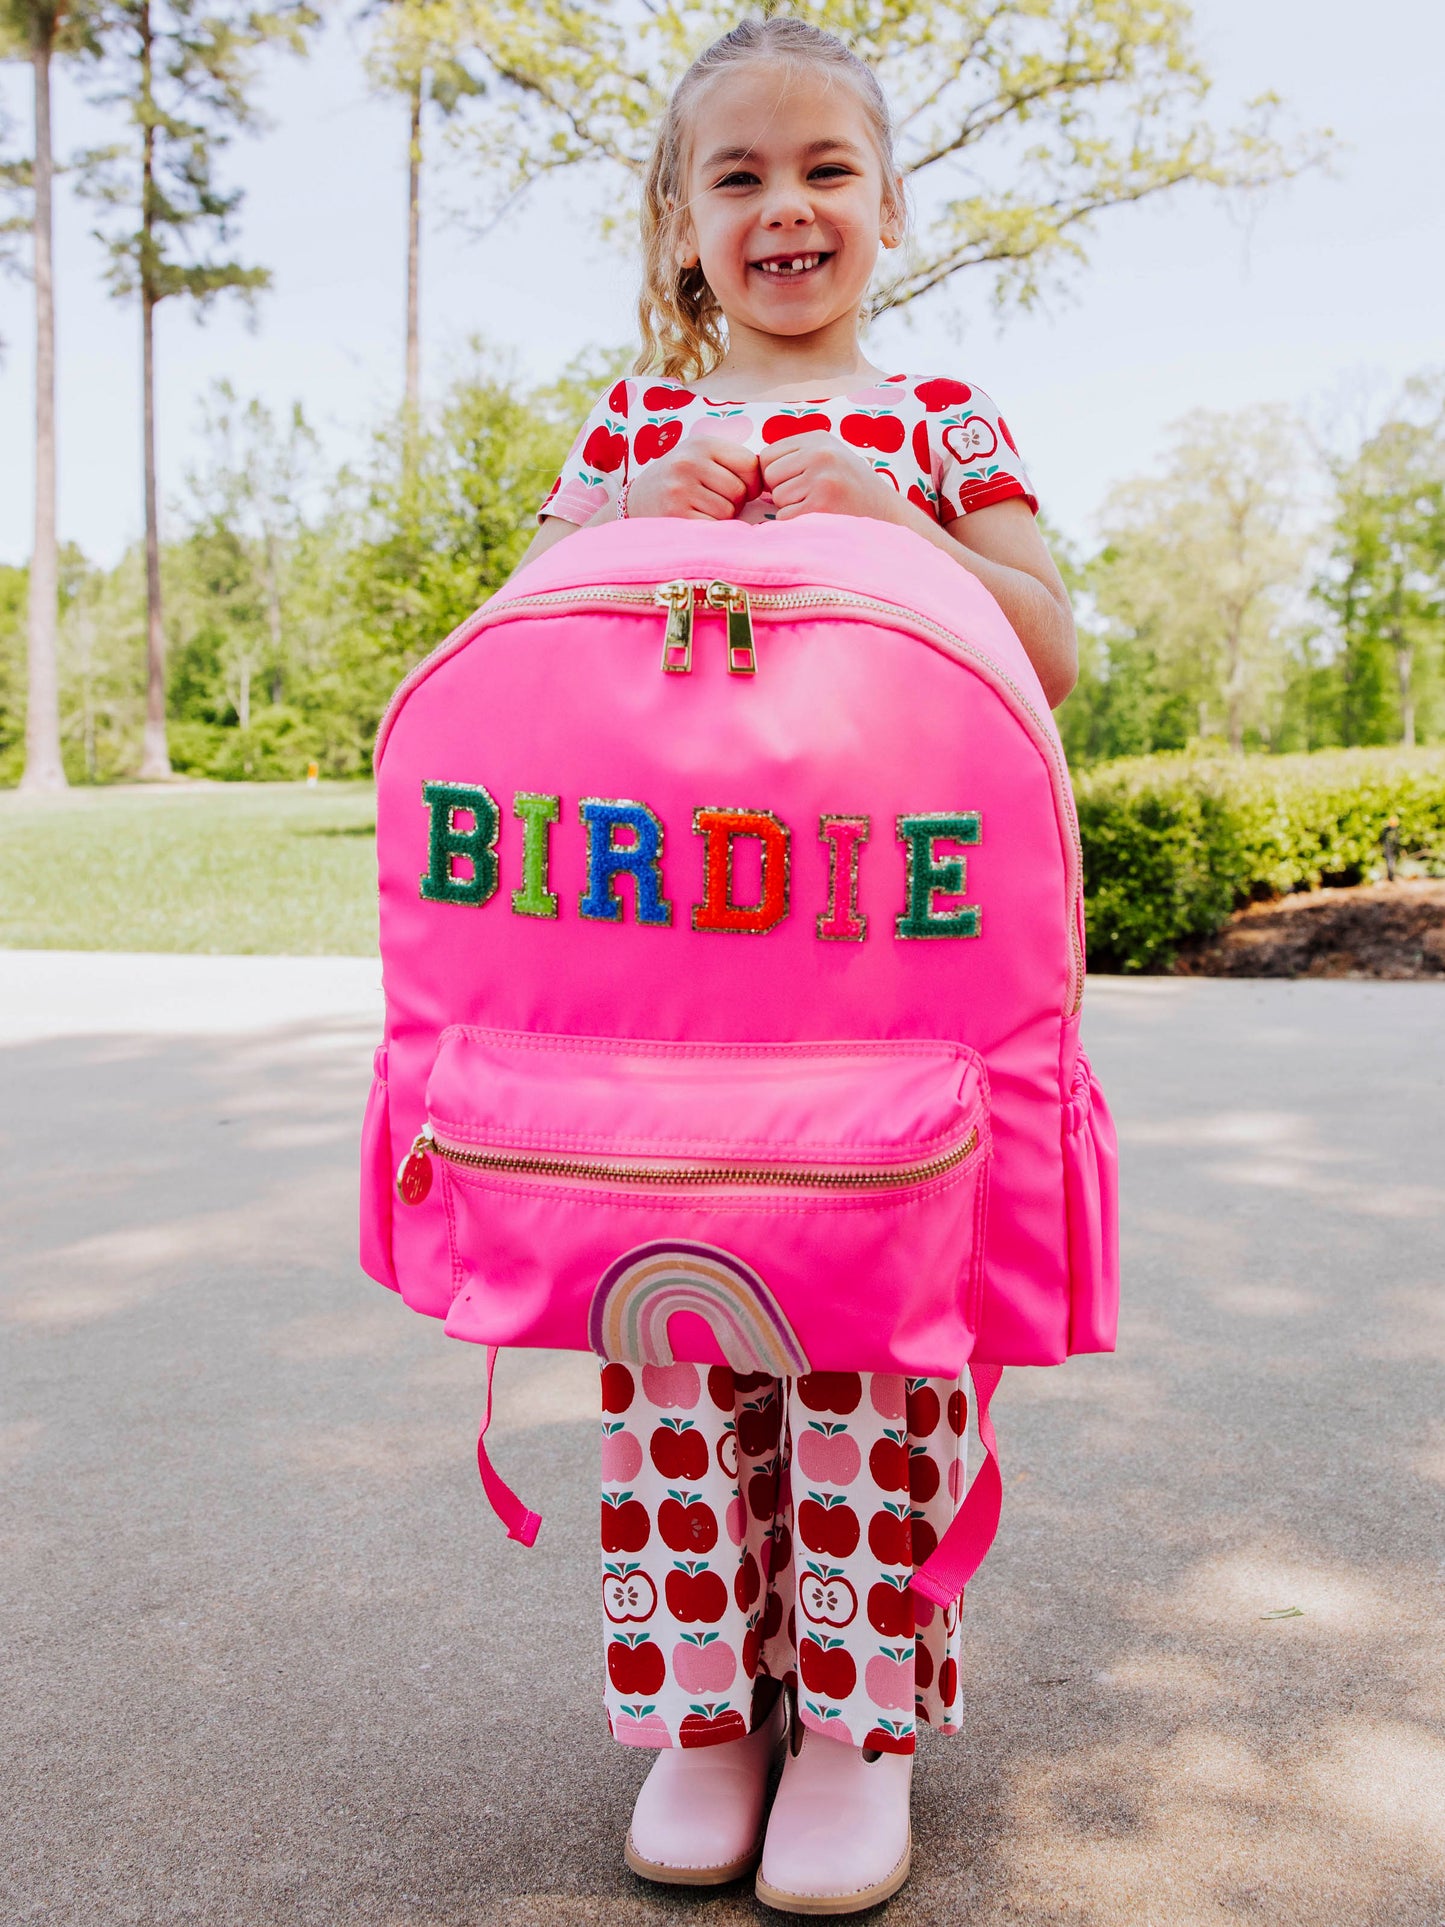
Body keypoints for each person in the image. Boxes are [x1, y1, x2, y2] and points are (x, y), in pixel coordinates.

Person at [505, 16, 1078, 1915]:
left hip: (888, 990)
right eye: (735, 176)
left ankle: (851, 1720)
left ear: (891, 204)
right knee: (674, 1337)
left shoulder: (941, 422)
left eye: (825, 169)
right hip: (664, 994)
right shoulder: (627, 431)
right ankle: (704, 1711)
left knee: (867, 1344)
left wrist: (906, 533)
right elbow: (516, 656)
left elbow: (1049, 652)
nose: (784, 209)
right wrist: (609, 527)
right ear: (678, 223)